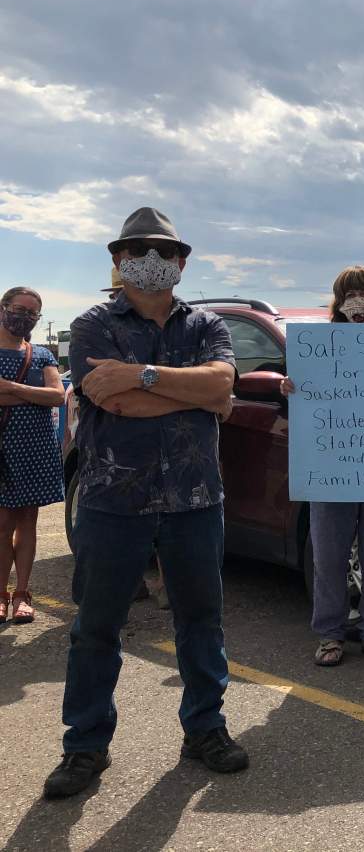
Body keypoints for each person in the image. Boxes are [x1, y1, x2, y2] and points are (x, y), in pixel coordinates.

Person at [44, 207, 248, 800]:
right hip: (112, 501)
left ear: (182, 262)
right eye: (138, 249)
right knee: (96, 627)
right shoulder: (91, 325)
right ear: (118, 259)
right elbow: (117, 403)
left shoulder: (206, 325)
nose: (152, 260)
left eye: (165, 251)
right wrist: (196, 394)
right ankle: (85, 744)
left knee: (201, 620)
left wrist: (143, 376)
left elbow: (222, 384)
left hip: (195, 499)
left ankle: (205, 729)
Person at [281, 266, 364, 666]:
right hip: (331, 470)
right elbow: (304, 398)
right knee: (328, 557)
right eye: (350, 294)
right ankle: (330, 634)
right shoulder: (316, 347)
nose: (358, 302)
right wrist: (290, 388)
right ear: (337, 301)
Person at [0, 287, 65, 625]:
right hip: (3, 448)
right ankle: (1, 593)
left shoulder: (41, 354)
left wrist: (11, 389)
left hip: (35, 448)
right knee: (2, 523)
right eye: (19, 309)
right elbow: (45, 396)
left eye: (32, 313)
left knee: (28, 520)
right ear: (3, 308)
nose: (24, 317)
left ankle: (22, 593)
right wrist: (34, 396)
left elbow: (57, 396)